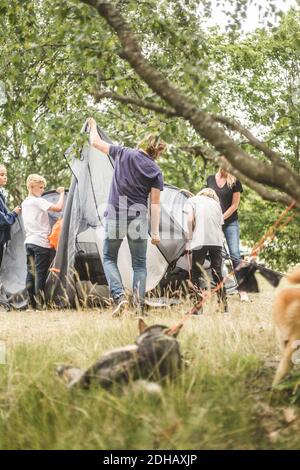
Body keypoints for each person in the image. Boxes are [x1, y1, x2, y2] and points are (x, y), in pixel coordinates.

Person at [88, 117, 165, 316]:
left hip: (115, 215)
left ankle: (119, 297)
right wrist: (155, 232)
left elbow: (95, 142)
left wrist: (94, 126)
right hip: (138, 218)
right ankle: (139, 307)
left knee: (108, 257)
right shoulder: (156, 170)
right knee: (139, 264)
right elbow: (155, 204)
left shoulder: (123, 153)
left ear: (143, 142)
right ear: (158, 151)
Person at [207, 162, 249, 302]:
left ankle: (243, 291)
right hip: (214, 224)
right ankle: (219, 290)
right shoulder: (210, 179)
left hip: (230, 223)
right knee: (217, 256)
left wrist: (221, 218)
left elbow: (235, 205)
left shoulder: (235, 182)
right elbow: (205, 199)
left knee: (235, 255)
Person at [21, 174, 65, 309]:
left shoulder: (25, 202)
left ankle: (31, 304)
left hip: (29, 242)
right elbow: (58, 208)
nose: (42, 190)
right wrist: (62, 193)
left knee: (30, 273)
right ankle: (40, 304)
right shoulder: (37, 201)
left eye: (43, 187)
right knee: (40, 273)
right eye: (40, 187)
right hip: (40, 243)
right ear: (31, 186)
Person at [184, 188, 228, 314]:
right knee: (217, 273)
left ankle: (197, 310)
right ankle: (223, 307)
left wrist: (190, 238)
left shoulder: (192, 200)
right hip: (217, 241)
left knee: (196, 273)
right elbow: (219, 225)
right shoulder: (216, 204)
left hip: (199, 241)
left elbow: (189, 220)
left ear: (201, 193)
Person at [0, 164, 21, 267]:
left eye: (5, 174)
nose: (5, 177)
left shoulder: (1, 195)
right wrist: (14, 213)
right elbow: (3, 219)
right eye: (1, 174)